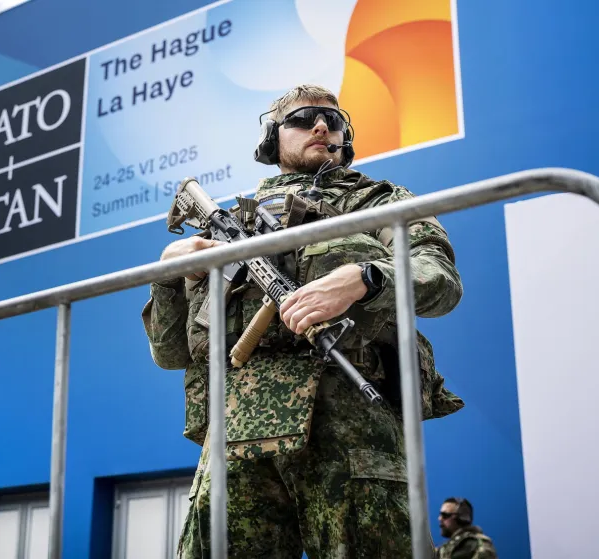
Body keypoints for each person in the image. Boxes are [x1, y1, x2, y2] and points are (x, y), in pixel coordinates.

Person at [141, 84, 465, 558]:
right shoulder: (226, 228)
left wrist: (366, 277)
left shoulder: (379, 202)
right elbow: (171, 354)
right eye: (304, 118)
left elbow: (440, 280)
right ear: (273, 137)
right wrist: (166, 275)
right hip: (235, 427)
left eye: (334, 122)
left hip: (348, 416)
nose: (321, 126)